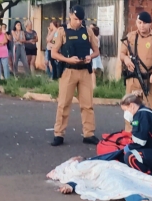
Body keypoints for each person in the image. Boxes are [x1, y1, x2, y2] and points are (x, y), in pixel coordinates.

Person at [50, 5, 100, 146]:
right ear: (70, 16)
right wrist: (68, 59)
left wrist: (90, 57)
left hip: (84, 71)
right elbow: (54, 53)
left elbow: (96, 51)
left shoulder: (88, 31)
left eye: (81, 20)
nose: (78, 22)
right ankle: (59, 134)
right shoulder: (62, 31)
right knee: (64, 104)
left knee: (87, 104)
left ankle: (89, 134)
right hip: (69, 70)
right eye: (76, 19)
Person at [120, 11, 152, 132]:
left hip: (149, 80)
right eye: (139, 22)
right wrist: (126, 59)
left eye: (145, 23)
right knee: (130, 108)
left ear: (150, 24)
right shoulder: (130, 37)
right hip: (133, 79)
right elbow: (122, 53)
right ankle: (130, 135)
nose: (142, 26)